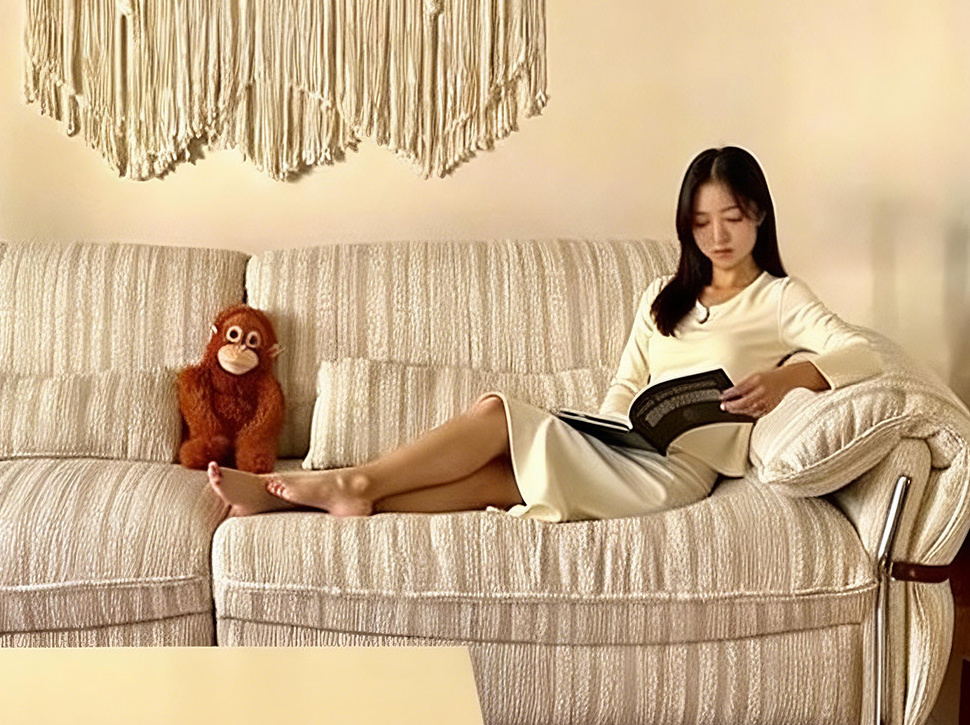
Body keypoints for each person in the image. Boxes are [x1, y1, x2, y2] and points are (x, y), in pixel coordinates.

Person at [207, 145, 883, 523]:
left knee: (497, 413)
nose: (718, 237)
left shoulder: (780, 298)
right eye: (701, 223)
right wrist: (615, 426)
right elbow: (627, 382)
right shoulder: (662, 293)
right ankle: (306, 503)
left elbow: (865, 354)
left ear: (759, 214)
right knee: (498, 480)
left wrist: (789, 377)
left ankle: (355, 479)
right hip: (625, 444)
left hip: (677, 472)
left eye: (732, 218)